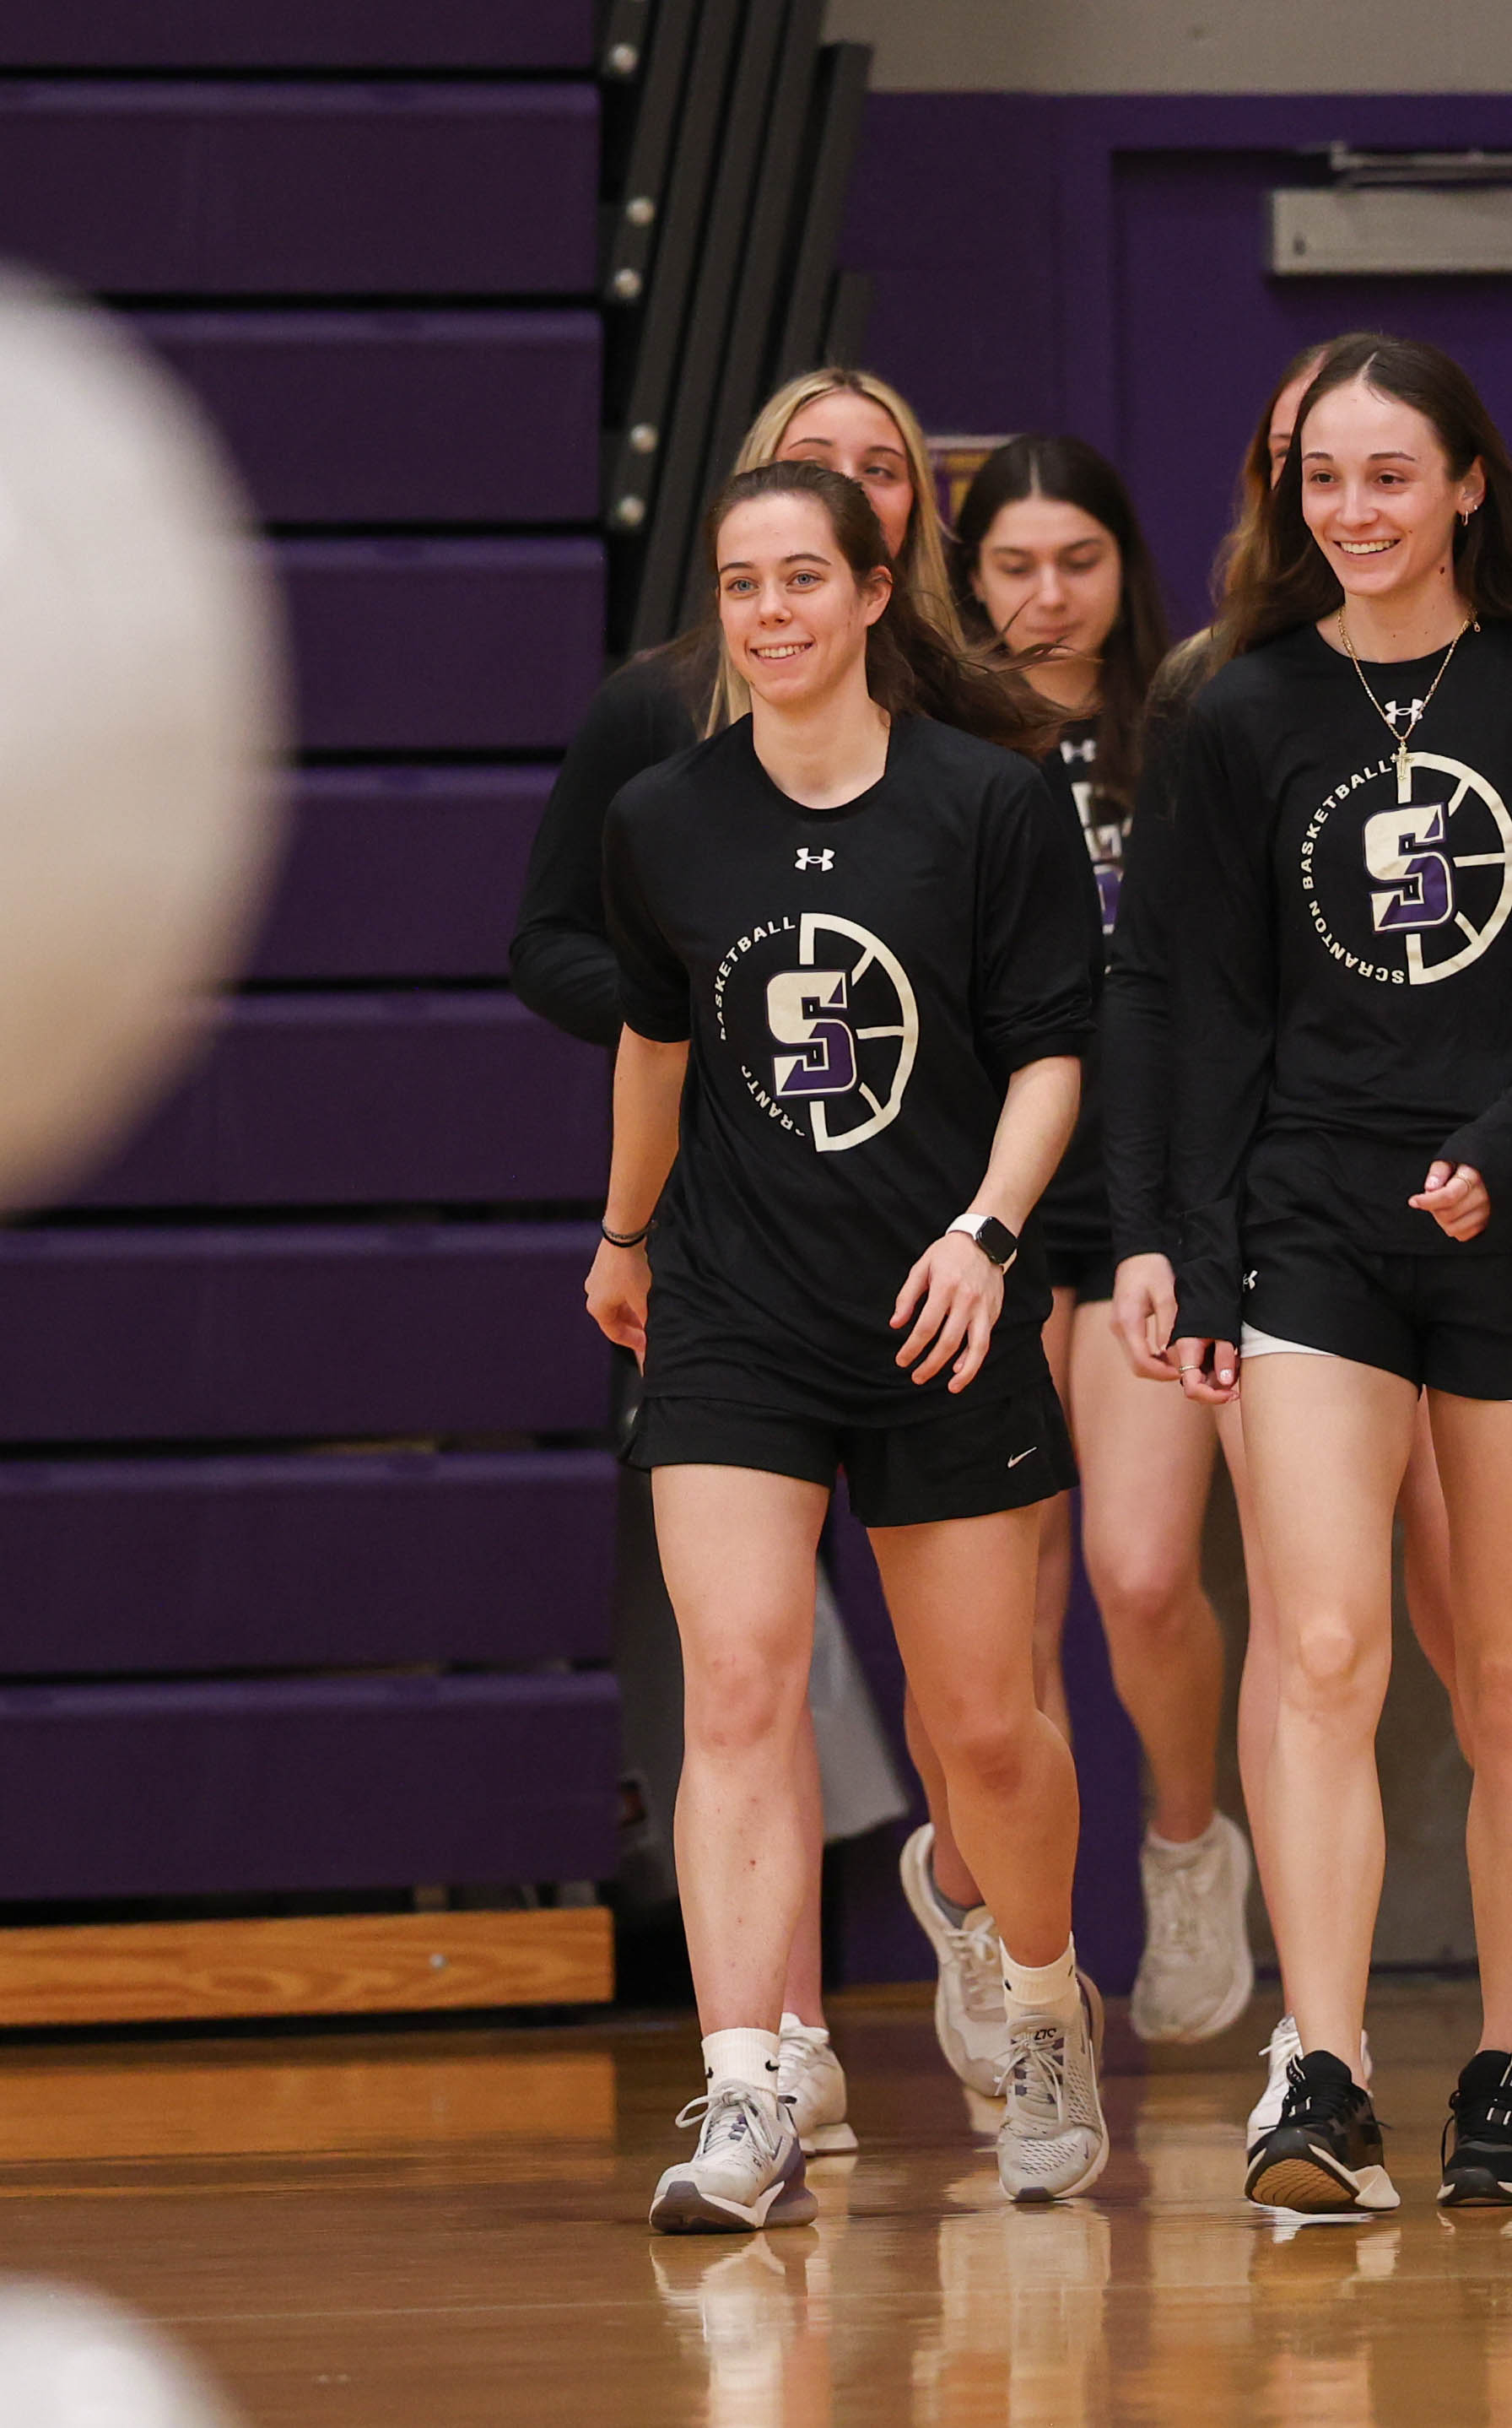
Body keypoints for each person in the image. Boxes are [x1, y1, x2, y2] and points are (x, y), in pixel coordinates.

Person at [1164, 333, 1512, 2214]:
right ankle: (1326, 2069)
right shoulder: (1239, 706)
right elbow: (1192, 1000)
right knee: (1327, 1649)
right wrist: (1189, 1242)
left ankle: (1508, 2074)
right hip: (1310, 1226)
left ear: (1463, 486)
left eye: (1390, 476)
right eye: (1323, 480)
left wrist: (1508, 1146)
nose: (1352, 512)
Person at [596, 461, 1108, 2230]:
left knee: (983, 1722)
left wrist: (987, 1233)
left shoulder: (990, 803)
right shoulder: (666, 816)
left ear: (877, 590)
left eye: (802, 576)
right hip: (736, 1305)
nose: (770, 611)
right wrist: (619, 1231)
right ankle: (749, 2085)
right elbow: (656, 1044)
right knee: (734, 1684)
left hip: (939, 1304)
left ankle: (1038, 1997)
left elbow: (1053, 1047)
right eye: (741, 583)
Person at [510, 366, 980, 2132]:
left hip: (947, 1232)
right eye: (805, 468)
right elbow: (560, 943)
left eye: (875, 470)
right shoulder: (655, 724)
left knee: (974, 1682)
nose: (839, 494)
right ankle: (768, 2048)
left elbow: (1034, 995)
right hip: (726, 1223)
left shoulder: (963, 717)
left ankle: (1010, 1962)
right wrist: (692, 1016)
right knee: (746, 1658)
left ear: (894, 534)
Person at [953, 431, 1256, 2045]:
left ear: (1126, 572)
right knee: (1004, 1600)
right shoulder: (936, 737)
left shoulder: (1190, 725)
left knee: (1143, 1573)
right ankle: (1019, 1935)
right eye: (1014, 565)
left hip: (1148, 1188)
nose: (1048, 596)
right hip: (991, 1200)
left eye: (1078, 563)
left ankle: (1191, 1841)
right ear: (965, 577)